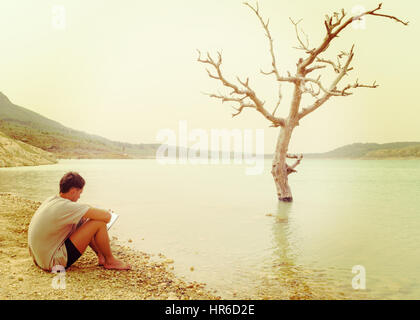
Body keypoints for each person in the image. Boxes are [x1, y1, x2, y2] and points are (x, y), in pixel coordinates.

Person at [28, 171, 131, 271]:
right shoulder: (66, 207)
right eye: (79, 193)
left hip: (39, 259)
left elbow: (80, 212)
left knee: (82, 221)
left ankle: (101, 256)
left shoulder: (52, 200)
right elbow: (107, 217)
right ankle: (110, 260)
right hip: (53, 262)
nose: (79, 197)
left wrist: (90, 213)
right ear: (73, 191)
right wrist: (98, 214)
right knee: (98, 223)